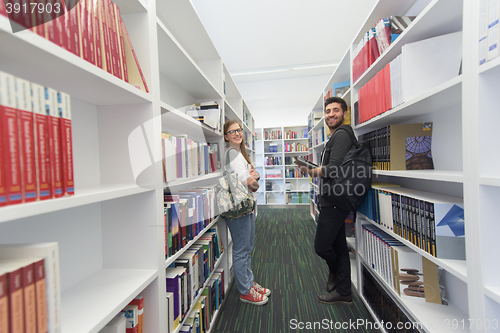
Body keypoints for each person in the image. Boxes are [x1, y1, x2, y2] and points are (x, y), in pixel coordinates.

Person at [296, 96, 355, 304]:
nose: (331, 114)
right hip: (334, 198)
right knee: (339, 246)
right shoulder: (337, 136)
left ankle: (336, 275)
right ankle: (344, 291)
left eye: (336, 110)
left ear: (345, 113)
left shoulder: (341, 135)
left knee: (322, 247)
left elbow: (334, 169)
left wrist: (310, 169)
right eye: (328, 111)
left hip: (335, 201)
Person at [223, 119, 271, 305]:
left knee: (248, 248)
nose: (237, 133)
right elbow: (247, 180)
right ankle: (245, 291)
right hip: (238, 210)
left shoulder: (239, 154)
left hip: (246, 206)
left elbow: (250, 175)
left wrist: (253, 176)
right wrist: (255, 181)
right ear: (226, 136)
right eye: (232, 131)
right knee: (242, 249)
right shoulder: (232, 153)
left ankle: (249, 283)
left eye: (239, 130)